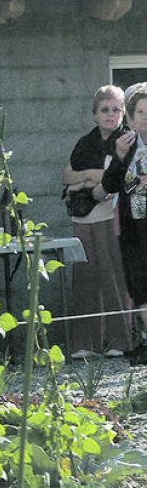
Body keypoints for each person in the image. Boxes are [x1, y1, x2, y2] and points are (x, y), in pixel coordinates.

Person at [63, 86, 135, 360]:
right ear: (95, 114)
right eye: (105, 110)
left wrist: (89, 178)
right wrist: (95, 175)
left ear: (123, 113)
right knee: (85, 278)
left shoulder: (129, 140)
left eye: (116, 110)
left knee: (114, 277)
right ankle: (86, 343)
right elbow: (67, 176)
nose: (110, 115)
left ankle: (121, 341)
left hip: (112, 217)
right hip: (82, 216)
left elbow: (117, 179)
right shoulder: (85, 142)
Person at [103, 83, 147, 361]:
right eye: (140, 112)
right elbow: (109, 185)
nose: (145, 117)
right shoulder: (125, 145)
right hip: (134, 228)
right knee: (139, 284)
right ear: (130, 117)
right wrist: (119, 158)